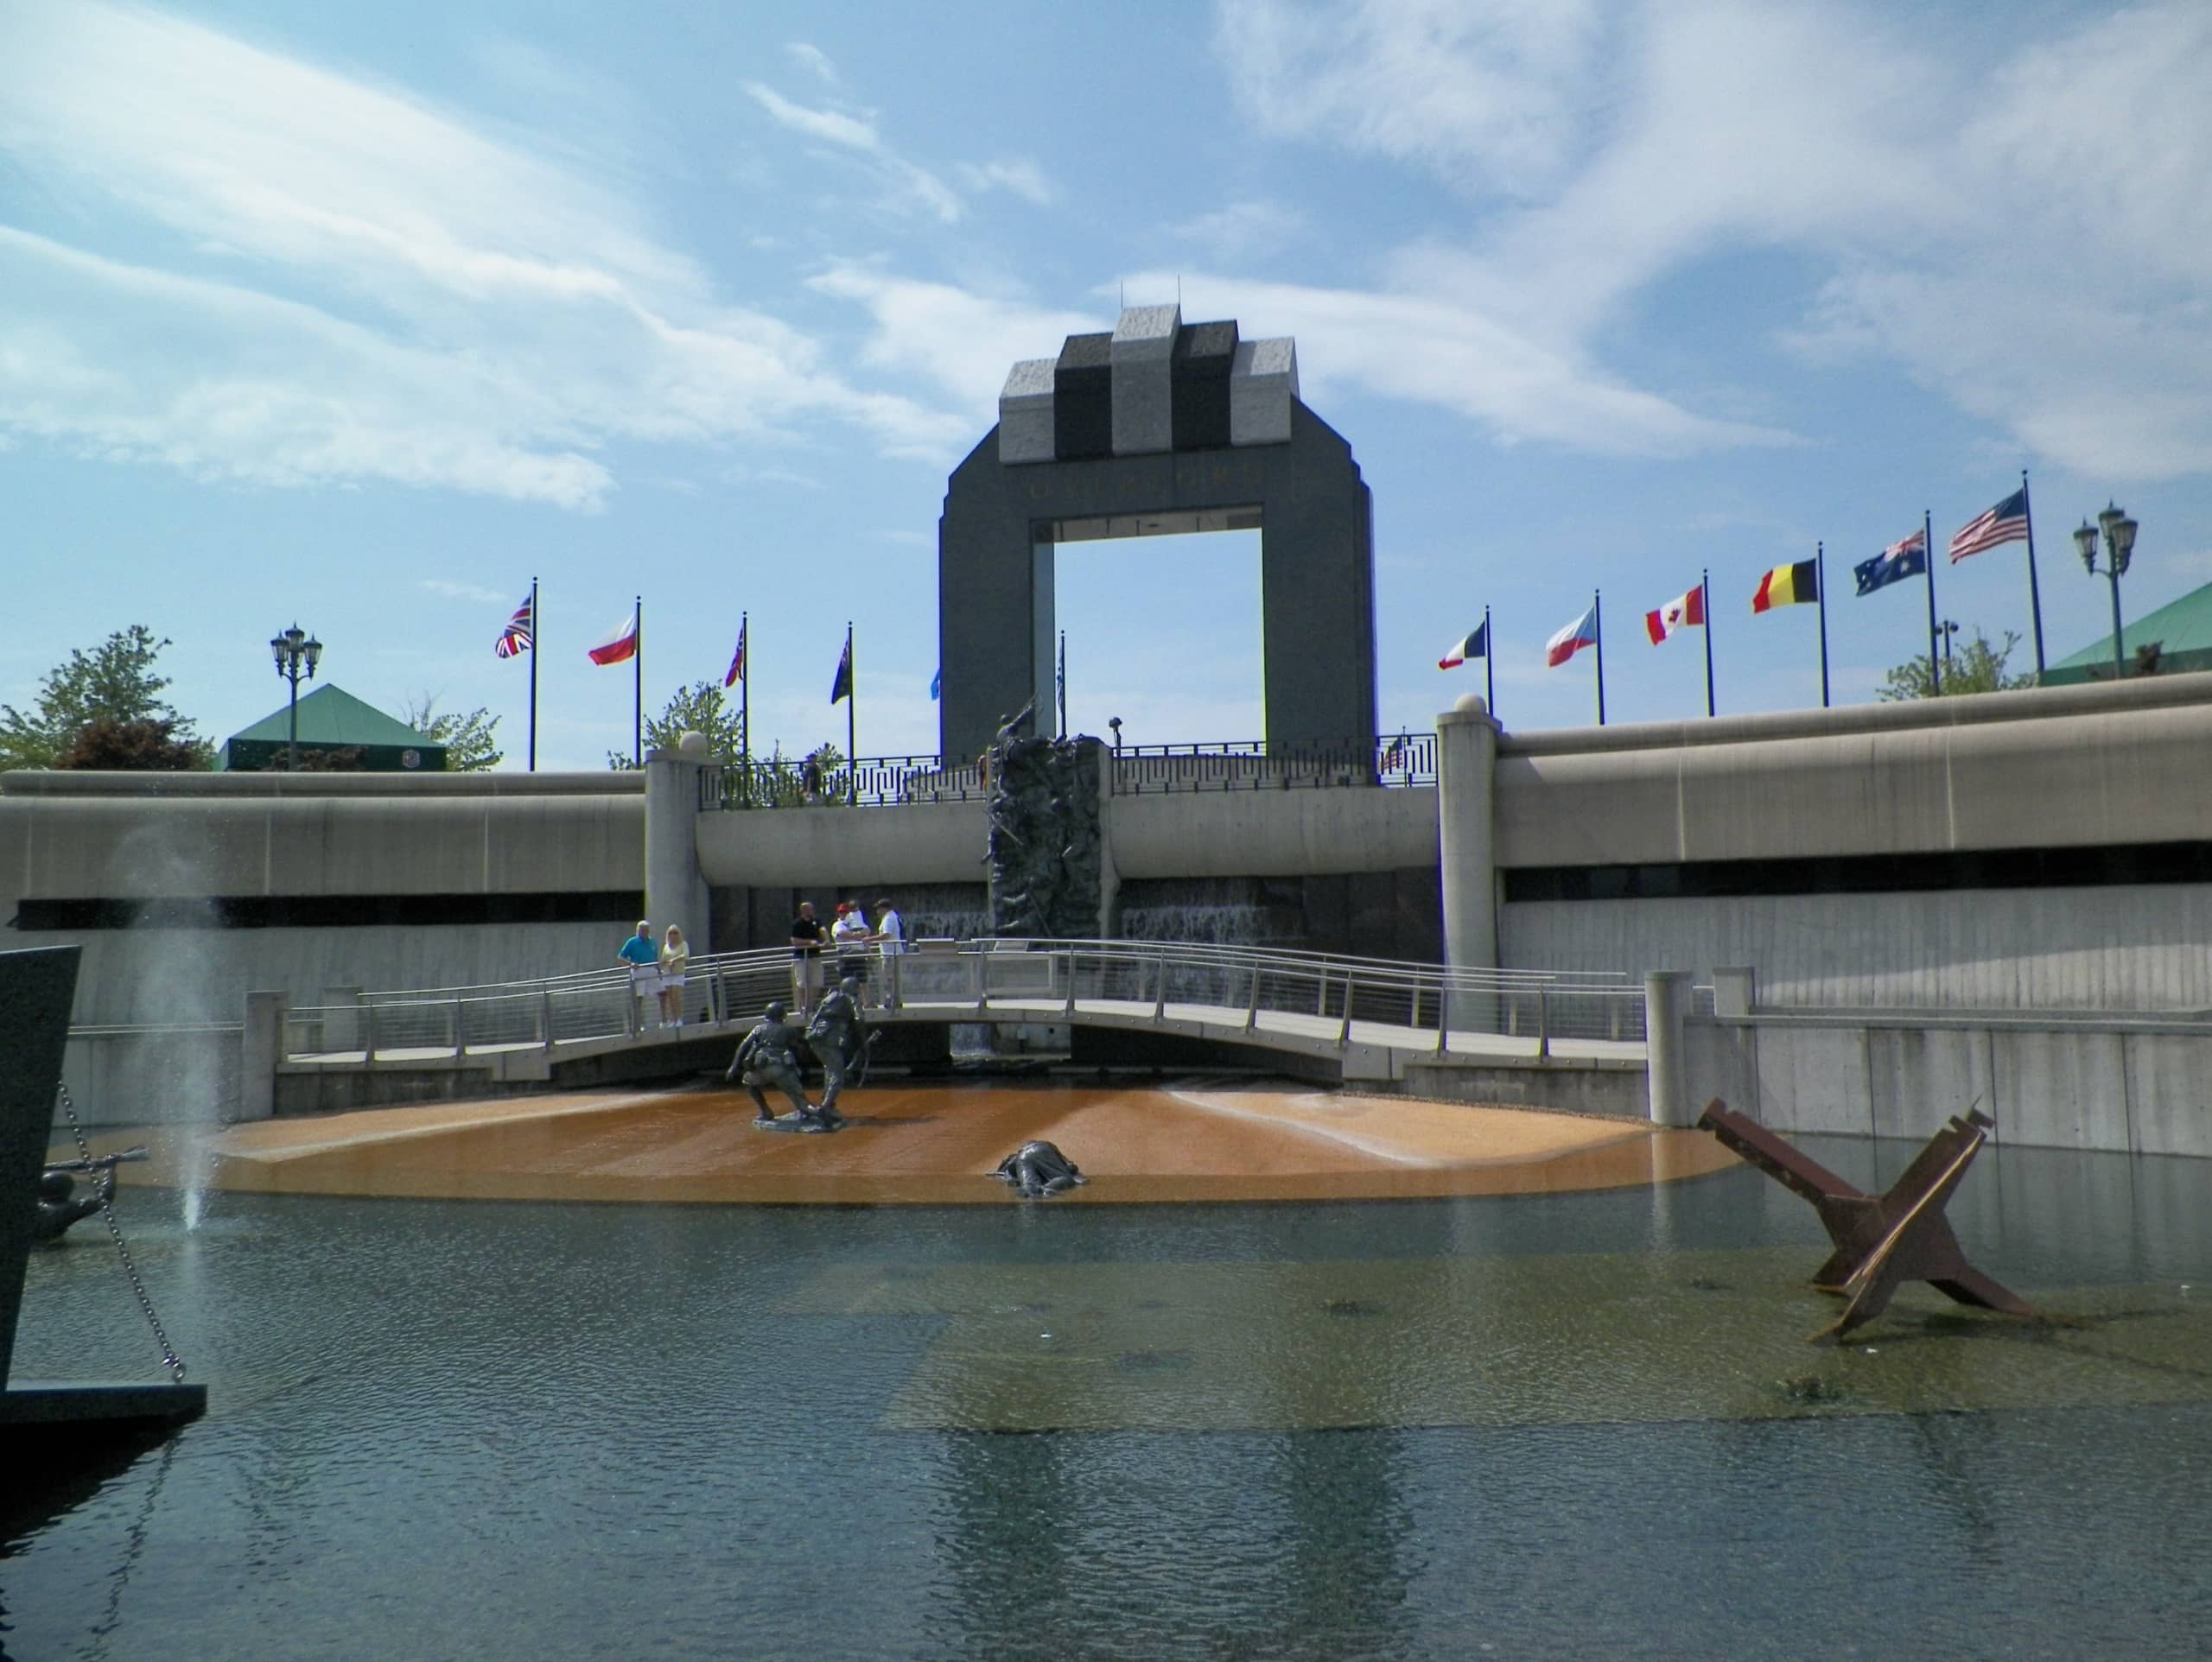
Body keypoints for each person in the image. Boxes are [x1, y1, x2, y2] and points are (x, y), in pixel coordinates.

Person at [725, 1001, 823, 1127]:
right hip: (782, 1070)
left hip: (762, 1069)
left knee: (748, 1082)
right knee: (802, 1103)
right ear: (783, 1015)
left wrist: (734, 1066)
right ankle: (818, 1111)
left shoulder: (759, 1028)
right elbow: (800, 1049)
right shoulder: (789, 1029)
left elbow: (744, 1046)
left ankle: (766, 1112)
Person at [804, 975, 869, 1125]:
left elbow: (816, 1016)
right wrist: (863, 1041)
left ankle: (828, 1102)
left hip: (815, 1037)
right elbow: (859, 1020)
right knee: (837, 1074)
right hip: (830, 1038)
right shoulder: (852, 999)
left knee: (830, 1068)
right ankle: (825, 1108)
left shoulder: (830, 997)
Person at [617, 920, 659, 1030]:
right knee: (638, 999)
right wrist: (631, 964)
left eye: (647, 930)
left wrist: (659, 971)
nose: (645, 932)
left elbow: (655, 958)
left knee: (662, 994)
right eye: (642, 930)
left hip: (652, 971)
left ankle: (664, 1021)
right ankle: (637, 1024)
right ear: (638, 930)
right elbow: (620, 957)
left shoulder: (653, 942)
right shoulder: (632, 942)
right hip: (639, 972)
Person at [789, 899, 826, 1015]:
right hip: (801, 957)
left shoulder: (816, 921)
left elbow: (822, 930)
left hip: (815, 956)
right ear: (804, 910)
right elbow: (794, 940)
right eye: (810, 909)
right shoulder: (797, 923)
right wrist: (809, 942)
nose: (812, 911)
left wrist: (826, 940)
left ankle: (809, 1003)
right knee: (802, 983)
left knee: (818, 983)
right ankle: (804, 1007)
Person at [831, 900, 872, 1003]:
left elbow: (866, 932)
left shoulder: (857, 922)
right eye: (841, 912)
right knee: (845, 981)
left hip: (859, 954)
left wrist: (869, 952)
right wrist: (855, 935)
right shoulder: (838, 924)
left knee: (863, 979)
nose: (843, 914)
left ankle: (867, 1002)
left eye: (845, 912)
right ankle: (847, 1003)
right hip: (845, 954)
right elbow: (841, 933)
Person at [870, 897, 906, 1009]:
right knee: (894, 978)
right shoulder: (894, 916)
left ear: (884, 908)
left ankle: (891, 1002)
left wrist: (869, 940)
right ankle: (895, 1001)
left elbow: (886, 935)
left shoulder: (889, 918)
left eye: (878, 909)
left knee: (889, 979)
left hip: (890, 954)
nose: (877, 911)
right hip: (893, 953)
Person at [658, 924, 690, 1028]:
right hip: (667, 973)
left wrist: (674, 960)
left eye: (675, 932)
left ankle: (679, 1018)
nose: (673, 935)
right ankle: (673, 1019)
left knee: (676, 994)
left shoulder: (683, 944)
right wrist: (665, 964)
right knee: (670, 996)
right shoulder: (666, 946)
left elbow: (686, 955)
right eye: (670, 933)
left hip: (678, 972)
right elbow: (663, 960)